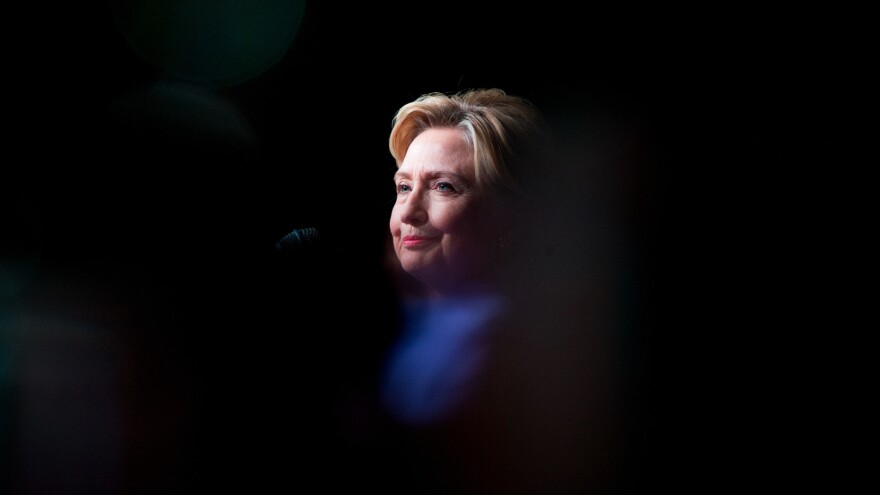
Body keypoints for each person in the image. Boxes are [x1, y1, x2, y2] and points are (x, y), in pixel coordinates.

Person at [374, 88, 622, 495]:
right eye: (403, 187)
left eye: (443, 186)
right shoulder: (427, 324)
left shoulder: (508, 345)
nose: (409, 211)